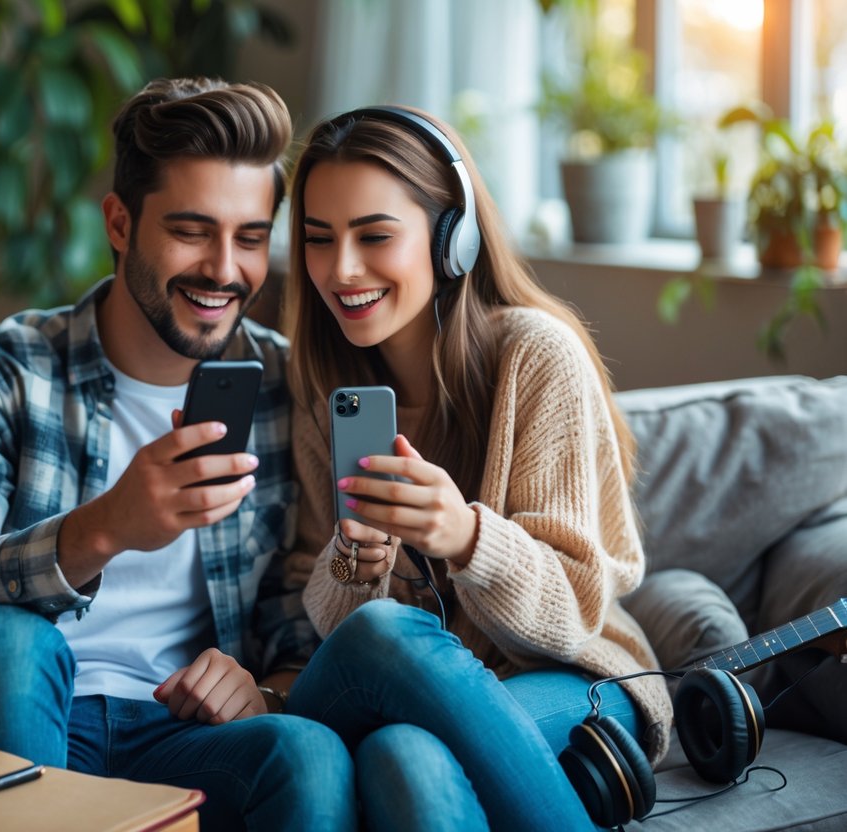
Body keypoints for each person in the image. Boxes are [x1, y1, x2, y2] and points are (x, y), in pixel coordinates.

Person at [0, 78, 355, 832]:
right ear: (120, 222)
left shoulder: (284, 389)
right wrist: (104, 528)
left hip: (171, 732)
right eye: (192, 230)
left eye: (252, 237)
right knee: (13, 642)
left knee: (306, 754)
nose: (225, 269)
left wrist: (265, 689)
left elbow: (297, 619)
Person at [279, 105, 675, 831]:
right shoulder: (323, 399)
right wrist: (354, 561)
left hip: (565, 678)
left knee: (385, 643)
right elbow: (329, 629)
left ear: (450, 239)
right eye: (316, 239)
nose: (340, 269)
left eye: (373, 236)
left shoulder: (533, 356)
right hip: (408, 704)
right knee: (402, 752)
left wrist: (464, 536)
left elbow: (576, 610)